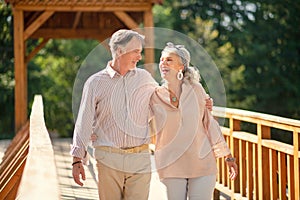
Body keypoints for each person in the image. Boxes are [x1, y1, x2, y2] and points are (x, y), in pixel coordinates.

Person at [70, 29, 213, 199]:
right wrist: (77, 159)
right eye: (136, 51)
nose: (139, 56)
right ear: (120, 50)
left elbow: (168, 98)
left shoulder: (144, 78)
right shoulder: (95, 83)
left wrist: (201, 101)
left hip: (140, 158)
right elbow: (84, 122)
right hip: (108, 159)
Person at [150, 42, 238, 200]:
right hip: (171, 164)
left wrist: (228, 156)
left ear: (181, 66)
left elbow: (209, 124)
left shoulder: (196, 90)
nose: (163, 63)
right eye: (161, 59)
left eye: (169, 59)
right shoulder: (154, 95)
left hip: (202, 163)